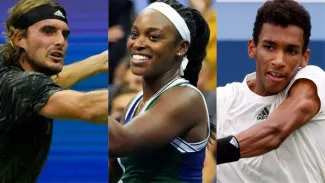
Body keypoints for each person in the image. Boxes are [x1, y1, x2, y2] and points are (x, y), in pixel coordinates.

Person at [213, 0, 325, 182]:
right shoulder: (224, 100)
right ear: (252, 48)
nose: (279, 60)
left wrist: (208, 154)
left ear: (305, 58)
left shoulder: (314, 81)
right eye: (269, 47)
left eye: (291, 51)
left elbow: (274, 132)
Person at [0, 0, 108, 182]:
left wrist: (101, 61)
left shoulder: (11, 81)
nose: (60, 42)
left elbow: (48, 83)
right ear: (18, 38)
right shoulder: (21, 84)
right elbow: (89, 107)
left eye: (64, 34)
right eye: (48, 31)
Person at [108, 0, 212, 182]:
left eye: (153, 37)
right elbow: (116, 171)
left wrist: (85, 95)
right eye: (134, 34)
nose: (138, 43)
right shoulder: (134, 104)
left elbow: (120, 141)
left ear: (181, 47)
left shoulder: (187, 98)